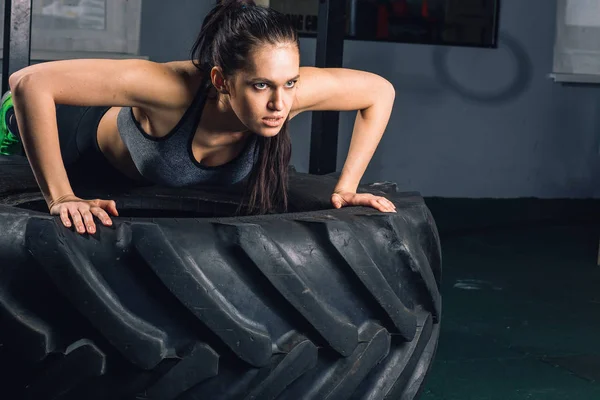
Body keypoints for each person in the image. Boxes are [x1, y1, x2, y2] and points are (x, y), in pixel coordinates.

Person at [4, 0, 397, 235]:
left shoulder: (286, 96)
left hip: (133, 176)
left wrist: (347, 187)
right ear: (221, 80)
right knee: (11, 112)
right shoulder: (170, 89)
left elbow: (380, 92)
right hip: (77, 138)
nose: (280, 103)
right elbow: (29, 82)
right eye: (260, 86)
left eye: (290, 82)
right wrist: (61, 196)